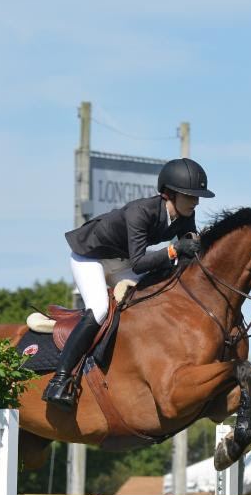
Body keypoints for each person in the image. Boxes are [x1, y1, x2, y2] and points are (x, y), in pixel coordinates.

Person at [42, 157, 216, 406]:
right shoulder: (140, 212)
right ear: (169, 194)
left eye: (197, 196)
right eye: (190, 196)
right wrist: (174, 251)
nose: (196, 201)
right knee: (100, 309)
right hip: (91, 257)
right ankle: (58, 381)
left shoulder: (186, 214)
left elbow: (189, 249)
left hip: (121, 262)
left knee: (153, 295)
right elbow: (139, 263)